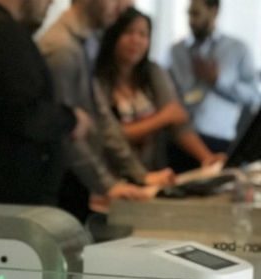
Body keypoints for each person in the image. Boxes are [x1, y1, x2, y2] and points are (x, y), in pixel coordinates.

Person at [40, 0, 174, 220]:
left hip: (83, 181)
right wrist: (108, 185)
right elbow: (65, 133)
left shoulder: (87, 41)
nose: (123, 6)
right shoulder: (62, 48)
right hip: (63, 185)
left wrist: (139, 175)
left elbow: (102, 116)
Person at [0, 0, 92, 206]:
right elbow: (27, 113)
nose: (52, 2)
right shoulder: (1, 32)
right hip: (7, 202)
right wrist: (72, 120)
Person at [95, 8, 224, 171]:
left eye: (143, 34)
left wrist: (207, 157)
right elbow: (111, 135)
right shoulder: (98, 80)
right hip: (112, 175)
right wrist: (162, 118)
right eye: (128, 32)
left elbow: (178, 122)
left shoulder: (153, 72)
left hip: (154, 171)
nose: (136, 40)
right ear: (113, 36)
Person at [169, 0, 261, 155]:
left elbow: (254, 96)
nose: (191, 20)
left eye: (196, 14)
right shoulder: (177, 51)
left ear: (214, 11)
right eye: (189, 14)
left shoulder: (237, 49)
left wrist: (218, 80)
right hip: (180, 139)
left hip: (218, 140)